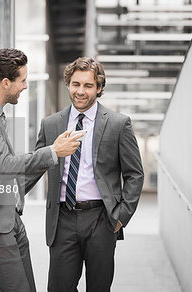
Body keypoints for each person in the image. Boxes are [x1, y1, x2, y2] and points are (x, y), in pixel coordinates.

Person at [0, 48, 82, 292]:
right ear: (6, 83)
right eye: (23, 80)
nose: (26, 86)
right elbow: (3, 165)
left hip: (5, 217)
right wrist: (53, 152)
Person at [26, 57, 144, 292]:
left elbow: (135, 174)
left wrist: (121, 216)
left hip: (101, 218)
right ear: (68, 84)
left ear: (99, 88)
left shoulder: (118, 124)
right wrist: (8, 196)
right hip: (62, 219)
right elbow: (37, 166)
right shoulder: (50, 124)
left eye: (88, 86)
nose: (81, 91)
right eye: (76, 84)